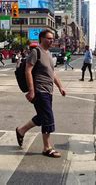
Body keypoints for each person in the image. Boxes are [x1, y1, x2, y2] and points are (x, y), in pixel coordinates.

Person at [15, 30, 67, 158]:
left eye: (52, 39)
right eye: (49, 38)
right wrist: (32, 90)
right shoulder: (35, 52)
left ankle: (21, 130)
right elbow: (28, 71)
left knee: (42, 116)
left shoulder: (48, 54)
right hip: (40, 90)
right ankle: (47, 147)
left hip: (48, 91)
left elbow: (52, 73)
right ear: (42, 38)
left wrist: (60, 86)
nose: (51, 41)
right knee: (48, 118)